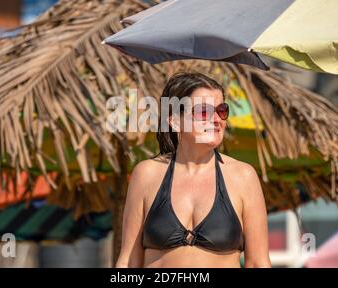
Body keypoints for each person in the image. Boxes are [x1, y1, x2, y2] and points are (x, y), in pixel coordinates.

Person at [116, 72, 271, 268]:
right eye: (204, 112)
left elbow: (258, 263)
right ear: (174, 121)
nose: (217, 119)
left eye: (222, 110)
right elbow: (128, 262)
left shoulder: (243, 177)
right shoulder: (147, 174)